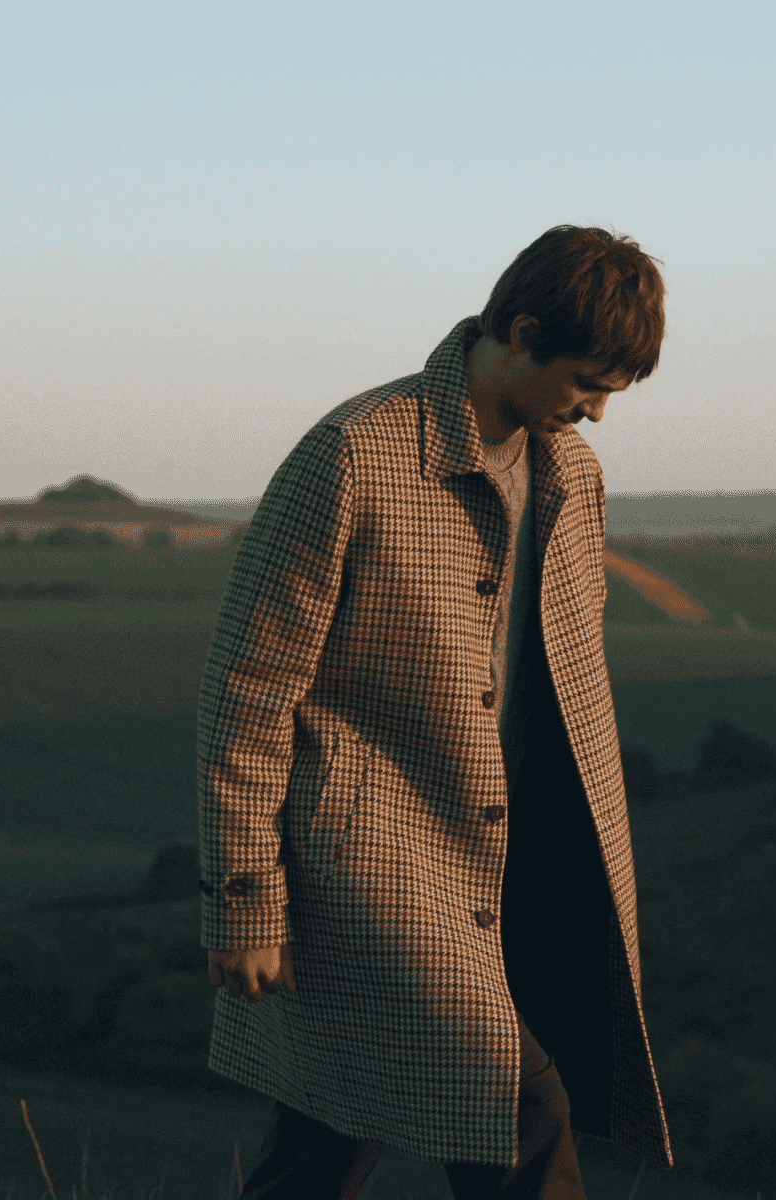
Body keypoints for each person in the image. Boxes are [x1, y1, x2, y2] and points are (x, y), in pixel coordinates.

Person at [197, 224, 675, 1199]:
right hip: (374, 867)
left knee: (328, 1134)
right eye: (584, 382)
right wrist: (243, 898)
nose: (592, 413)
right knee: (521, 1106)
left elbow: (569, 671)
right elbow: (247, 692)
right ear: (520, 329)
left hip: (522, 863)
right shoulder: (353, 454)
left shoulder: (570, 473)